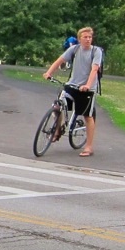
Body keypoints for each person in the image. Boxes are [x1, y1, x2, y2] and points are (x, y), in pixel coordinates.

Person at [44, 27, 102, 157]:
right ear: (79, 38)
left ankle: (88, 147)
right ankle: (57, 131)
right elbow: (60, 60)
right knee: (57, 106)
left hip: (87, 89)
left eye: (90, 37)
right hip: (72, 85)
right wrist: (48, 72)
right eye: (85, 37)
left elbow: (94, 70)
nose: (88, 39)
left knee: (87, 116)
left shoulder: (96, 51)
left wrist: (87, 85)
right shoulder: (74, 49)